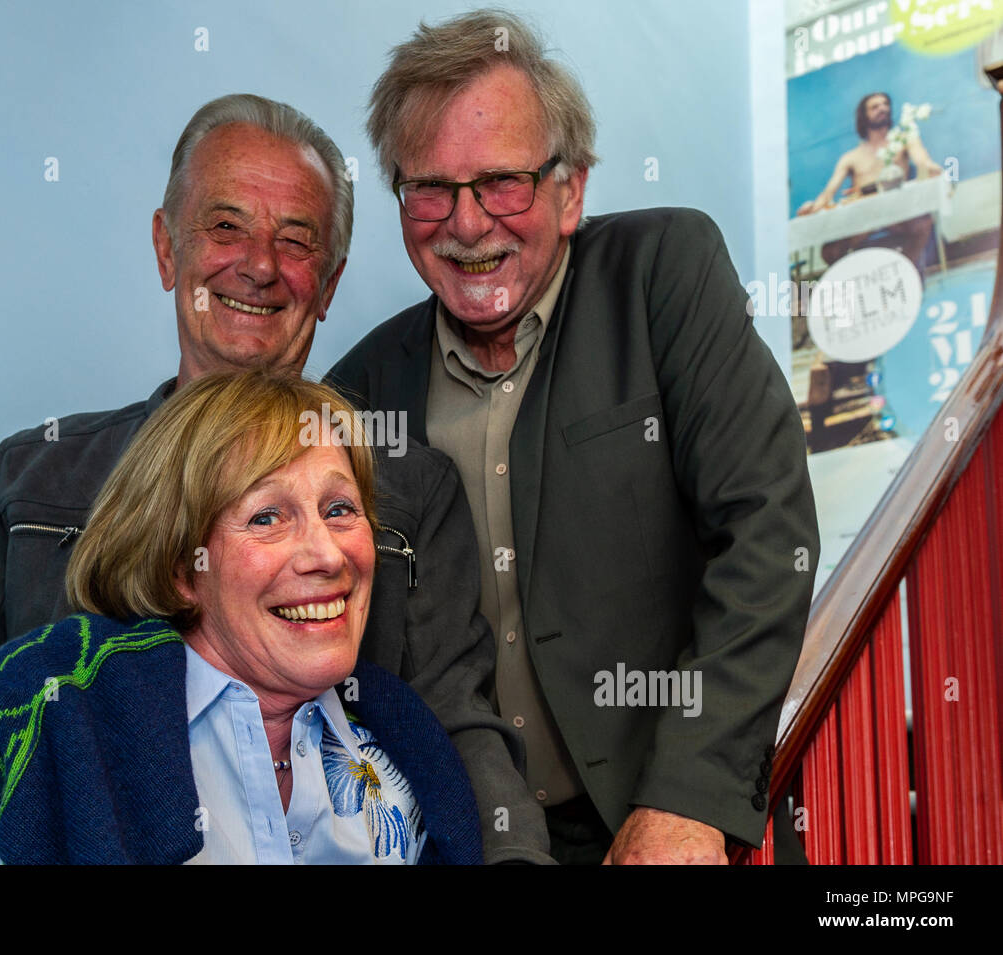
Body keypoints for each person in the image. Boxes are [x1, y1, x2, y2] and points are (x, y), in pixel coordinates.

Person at [0, 93, 551, 863]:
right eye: (226, 227)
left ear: (328, 285)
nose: (260, 265)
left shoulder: (411, 487)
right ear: (168, 249)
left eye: (297, 242)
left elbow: (461, 729)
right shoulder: (31, 473)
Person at [327, 9, 819, 864]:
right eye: (430, 190)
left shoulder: (665, 272)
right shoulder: (358, 392)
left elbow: (768, 534)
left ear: (571, 189)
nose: (468, 224)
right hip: (473, 837)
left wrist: (687, 797)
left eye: (504, 183)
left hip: (673, 816)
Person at [0, 372, 482, 864]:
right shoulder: (53, 715)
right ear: (181, 569)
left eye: (340, 509)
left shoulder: (406, 742)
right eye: (267, 517)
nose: (327, 555)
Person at [796, 91, 943, 265]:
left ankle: (904, 270)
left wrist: (932, 168)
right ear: (864, 117)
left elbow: (922, 160)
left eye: (885, 104)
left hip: (896, 213)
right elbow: (828, 193)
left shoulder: (905, 139)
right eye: (875, 107)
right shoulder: (850, 157)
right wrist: (813, 207)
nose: (882, 108)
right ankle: (861, 279)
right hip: (862, 220)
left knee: (924, 224)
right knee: (829, 252)